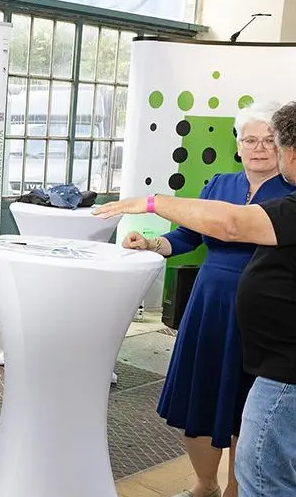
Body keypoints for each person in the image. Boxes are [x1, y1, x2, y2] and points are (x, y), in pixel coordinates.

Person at [93, 101, 296, 497]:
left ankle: (238, 488)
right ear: (237, 145)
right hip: (209, 307)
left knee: (249, 409)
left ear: (284, 146)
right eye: (249, 139)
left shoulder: (291, 193)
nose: (258, 148)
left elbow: (232, 225)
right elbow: (187, 237)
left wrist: (149, 200)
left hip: (264, 322)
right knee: (200, 396)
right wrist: (151, 243)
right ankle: (205, 484)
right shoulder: (219, 184)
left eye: (268, 140)